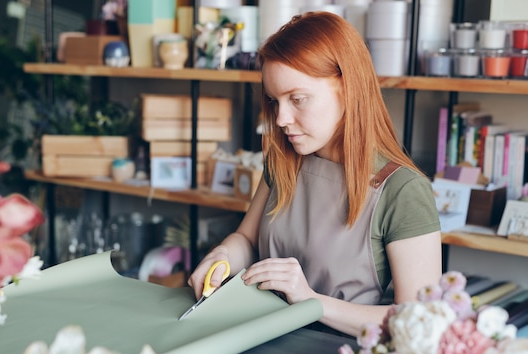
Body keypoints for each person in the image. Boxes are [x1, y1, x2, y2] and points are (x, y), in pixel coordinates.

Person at [188, 12, 442, 337]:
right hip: (260, 339)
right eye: (273, 101)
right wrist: (223, 254)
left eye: (298, 99)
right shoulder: (284, 161)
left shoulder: (403, 191)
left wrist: (311, 301)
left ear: (347, 88)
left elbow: (420, 322)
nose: (280, 119)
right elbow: (247, 240)